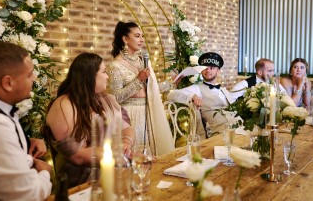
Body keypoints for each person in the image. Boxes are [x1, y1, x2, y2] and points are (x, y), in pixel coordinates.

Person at [0, 41, 52, 201]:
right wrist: (44, 172)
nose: (34, 79)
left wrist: (26, 142)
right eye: (29, 74)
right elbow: (29, 195)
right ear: (8, 83)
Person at [45, 52, 135, 188]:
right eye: (104, 72)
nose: (108, 76)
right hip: (79, 185)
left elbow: (127, 128)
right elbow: (76, 155)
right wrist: (115, 154)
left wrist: (126, 142)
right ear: (90, 76)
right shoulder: (63, 105)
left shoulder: (106, 100)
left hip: (112, 176)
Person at [108, 21, 174, 156]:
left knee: (151, 156)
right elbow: (114, 98)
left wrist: (171, 83)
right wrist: (138, 79)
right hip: (130, 115)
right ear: (125, 39)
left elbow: (150, 88)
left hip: (148, 112)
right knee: (136, 156)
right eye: (137, 36)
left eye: (142, 36)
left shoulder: (142, 60)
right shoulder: (115, 66)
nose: (142, 40)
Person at [167, 52, 236, 138]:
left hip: (235, 129)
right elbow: (171, 95)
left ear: (218, 71)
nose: (208, 70)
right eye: (205, 68)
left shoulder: (224, 91)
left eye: (212, 68)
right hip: (217, 134)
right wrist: (192, 97)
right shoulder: (197, 88)